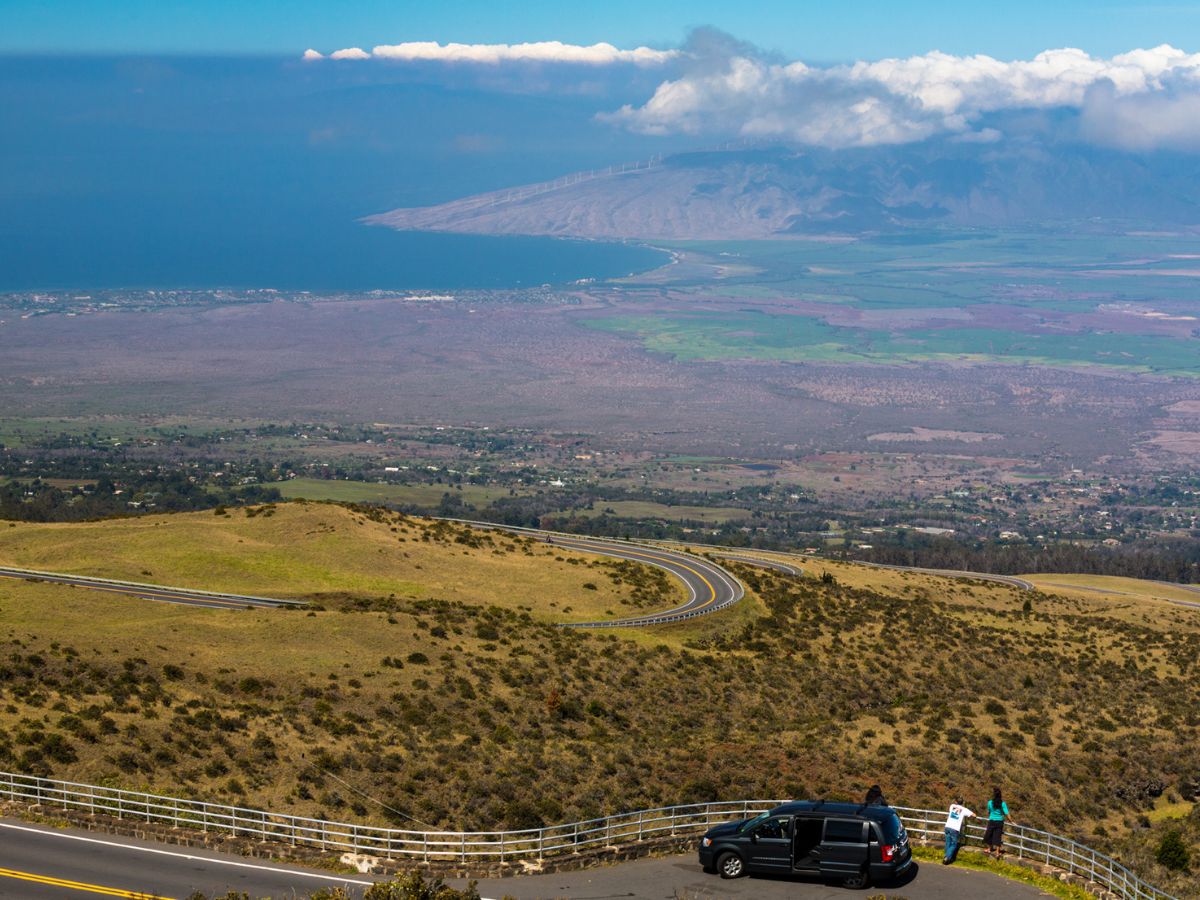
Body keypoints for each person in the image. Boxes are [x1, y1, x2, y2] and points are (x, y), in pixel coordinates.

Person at [943, 797, 976, 864]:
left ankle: (946, 856)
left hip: (947, 826)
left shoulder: (952, 806)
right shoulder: (964, 809)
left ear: (956, 801)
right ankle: (947, 857)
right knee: (954, 844)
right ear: (962, 802)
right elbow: (974, 815)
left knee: (948, 842)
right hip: (955, 829)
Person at [983, 787, 1015, 858]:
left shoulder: (990, 802)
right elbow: (1007, 813)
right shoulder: (1003, 804)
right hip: (999, 822)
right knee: (997, 836)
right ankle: (997, 852)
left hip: (991, 821)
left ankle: (989, 849)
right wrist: (1011, 821)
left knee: (989, 835)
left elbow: (989, 811)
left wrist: (991, 815)